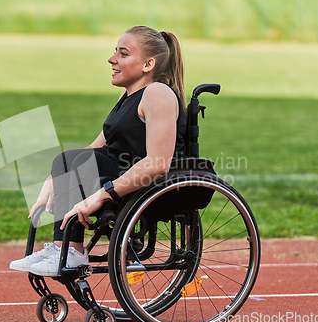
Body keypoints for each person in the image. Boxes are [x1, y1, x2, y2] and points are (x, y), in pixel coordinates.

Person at [10, 25, 187, 277]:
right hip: (118, 174)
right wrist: (55, 177)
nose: (112, 59)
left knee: (77, 162)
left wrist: (100, 195)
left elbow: (158, 163)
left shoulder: (158, 93)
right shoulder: (127, 96)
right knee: (71, 159)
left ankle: (71, 251)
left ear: (148, 64)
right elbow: (95, 147)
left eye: (123, 54)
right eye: (115, 52)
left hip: (144, 184)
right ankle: (63, 247)